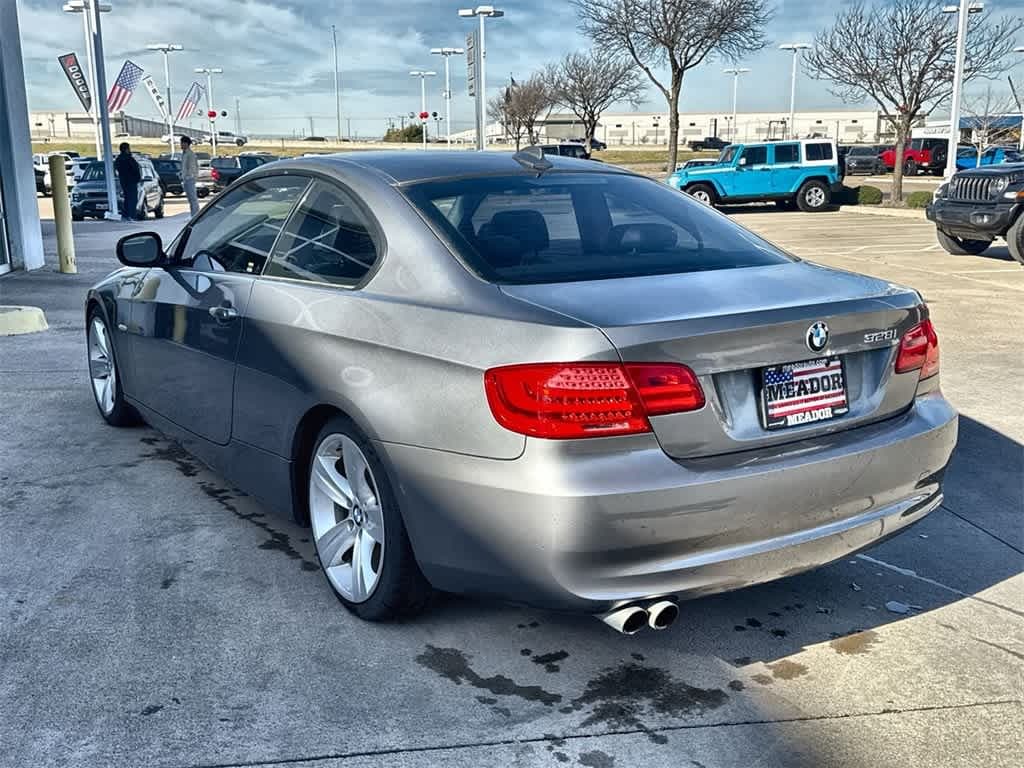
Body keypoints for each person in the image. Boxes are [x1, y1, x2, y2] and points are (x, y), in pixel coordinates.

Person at [113, 142, 141, 221]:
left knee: (127, 198)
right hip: (131, 181)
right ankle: (131, 215)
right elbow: (135, 169)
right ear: (126, 149)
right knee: (132, 199)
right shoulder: (129, 159)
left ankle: (126, 214)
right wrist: (137, 178)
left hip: (123, 181)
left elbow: (117, 169)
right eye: (128, 149)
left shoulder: (118, 159)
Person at [180, 136, 200, 216]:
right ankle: (193, 214)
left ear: (186, 144)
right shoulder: (184, 154)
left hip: (189, 179)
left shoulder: (190, 154)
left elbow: (192, 167)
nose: (180, 145)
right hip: (186, 179)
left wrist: (189, 177)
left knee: (193, 199)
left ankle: (195, 215)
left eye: (182, 143)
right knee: (190, 199)